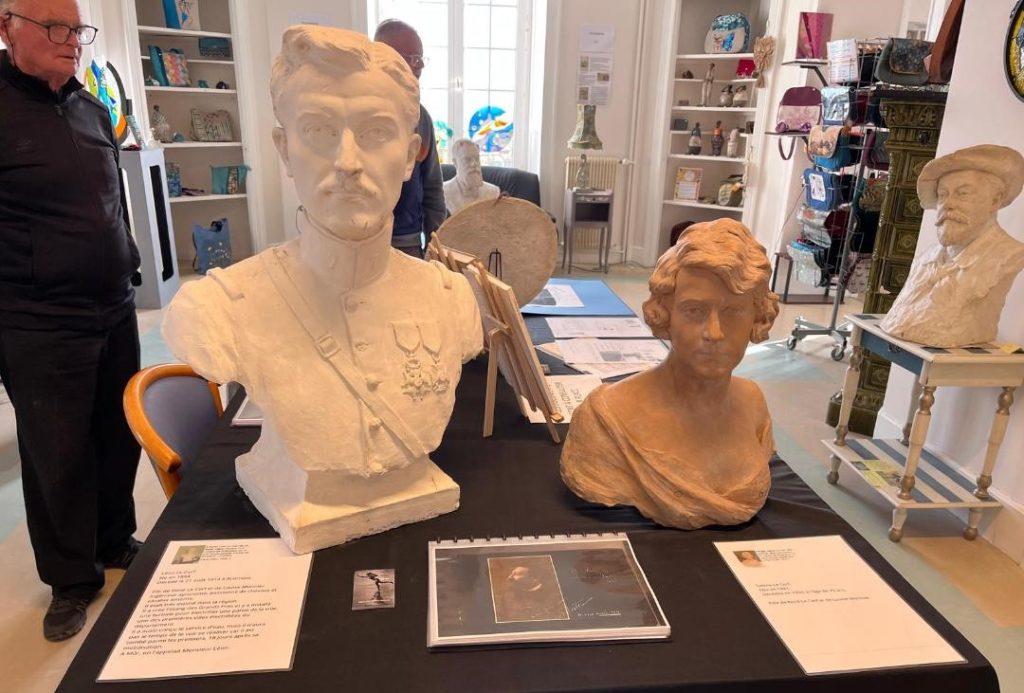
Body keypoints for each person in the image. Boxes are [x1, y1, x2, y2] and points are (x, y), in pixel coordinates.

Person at [163, 26, 482, 554]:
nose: (347, 162)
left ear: (411, 155)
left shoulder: (452, 299)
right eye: (317, 130)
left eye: (375, 132)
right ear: (285, 150)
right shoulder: (219, 307)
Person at [0, 0, 143, 641]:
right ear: (7, 27)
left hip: (113, 304)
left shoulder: (90, 108)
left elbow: (113, 199)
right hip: (38, 318)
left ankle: (114, 540)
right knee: (58, 453)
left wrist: (128, 257)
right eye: (55, 28)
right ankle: (71, 580)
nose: (71, 41)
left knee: (118, 432)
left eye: (77, 29)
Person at [560, 219, 780, 530]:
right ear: (665, 314)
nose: (714, 333)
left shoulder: (753, 402)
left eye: (732, 312)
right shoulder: (606, 420)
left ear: (757, 317)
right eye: (694, 311)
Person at [880, 145, 1024, 347]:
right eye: (942, 194)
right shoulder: (925, 259)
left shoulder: (1009, 255)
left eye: (963, 193)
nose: (948, 204)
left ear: (995, 200)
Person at [374, 19, 445, 257]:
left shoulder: (422, 118)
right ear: (382, 57)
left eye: (421, 59)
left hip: (409, 244)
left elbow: (433, 188)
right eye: (412, 59)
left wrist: (436, 246)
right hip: (360, 244)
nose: (419, 66)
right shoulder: (355, 111)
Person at [443, 138, 499, 213]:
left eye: (477, 159)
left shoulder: (493, 192)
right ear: (455, 163)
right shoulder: (443, 193)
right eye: (467, 160)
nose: (474, 164)